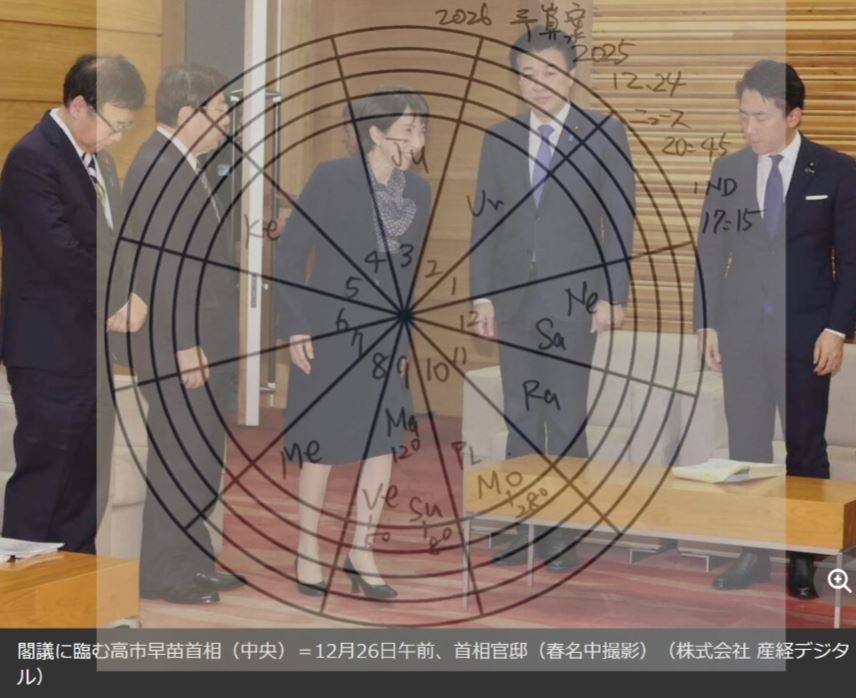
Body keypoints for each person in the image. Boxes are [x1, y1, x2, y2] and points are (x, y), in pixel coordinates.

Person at [470, 27, 635, 571]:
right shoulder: (499, 136)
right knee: (520, 415)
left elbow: (619, 219)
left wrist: (612, 294)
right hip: (514, 301)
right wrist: (483, 296)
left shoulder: (604, 132)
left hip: (575, 302)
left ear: (570, 75)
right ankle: (518, 529)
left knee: (565, 419)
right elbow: (485, 223)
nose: (537, 83)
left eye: (548, 73)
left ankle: (564, 534)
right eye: (527, 75)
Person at [694, 60, 856, 597]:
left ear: (793, 116)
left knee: (805, 448)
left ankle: (804, 558)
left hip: (808, 337)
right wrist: (708, 323)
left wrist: (836, 330)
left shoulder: (836, 171)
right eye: (743, 116)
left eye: (760, 117)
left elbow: (851, 260)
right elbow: (710, 251)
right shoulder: (729, 169)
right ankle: (753, 553)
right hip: (740, 333)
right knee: (746, 448)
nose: (749, 128)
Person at [276, 87, 430, 599]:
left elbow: (408, 277)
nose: (417, 140)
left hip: (386, 334)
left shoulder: (419, 191)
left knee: (382, 443)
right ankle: (308, 549)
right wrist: (295, 325)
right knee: (321, 445)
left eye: (421, 130)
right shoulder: (332, 178)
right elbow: (290, 256)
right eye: (407, 130)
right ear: (376, 134)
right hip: (328, 331)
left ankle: (361, 551)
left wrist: (403, 343)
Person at [0, 53, 147, 554]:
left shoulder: (100, 160)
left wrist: (134, 291)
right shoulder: (32, 159)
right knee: (46, 485)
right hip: (49, 353)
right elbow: (58, 254)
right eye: (115, 124)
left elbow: (116, 242)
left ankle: (74, 592)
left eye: (126, 128)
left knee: (87, 485)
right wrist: (119, 296)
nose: (118, 138)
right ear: (80, 105)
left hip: (91, 348)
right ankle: (21, 598)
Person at [123, 64, 244, 604]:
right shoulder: (158, 166)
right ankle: (163, 574)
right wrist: (183, 343)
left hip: (203, 340)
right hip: (179, 344)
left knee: (201, 455)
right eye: (220, 111)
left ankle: (194, 562)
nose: (227, 121)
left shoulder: (186, 162)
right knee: (179, 456)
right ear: (188, 113)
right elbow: (162, 268)